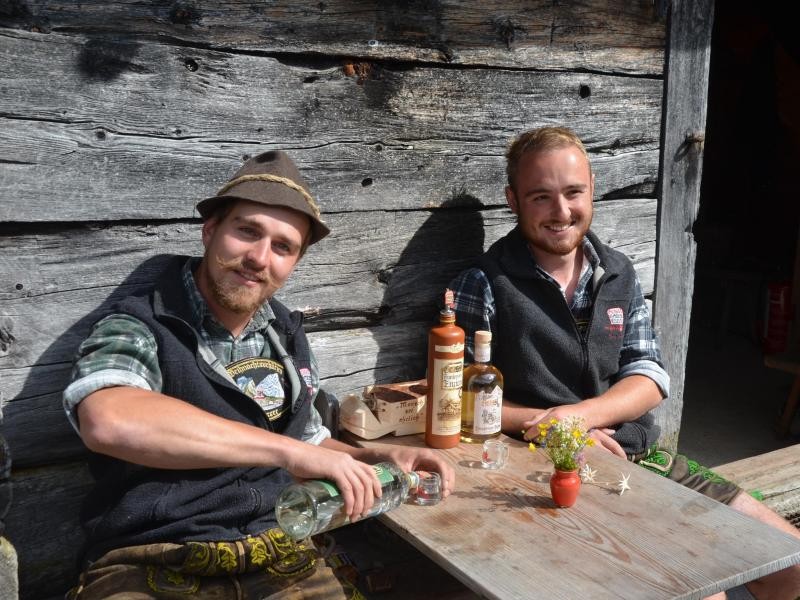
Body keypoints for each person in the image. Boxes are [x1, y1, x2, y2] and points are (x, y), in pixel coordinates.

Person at [63, 150, 455, 599]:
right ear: (211, 230)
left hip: (280, 552)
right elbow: (109, 419)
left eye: (283, 247)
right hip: (152, 559)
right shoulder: (141, 323)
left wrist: (375, 459)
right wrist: (288, 454)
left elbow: (308, 441)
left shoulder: (283, 332)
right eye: (246, 231)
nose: (259, 257)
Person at [449, 126, 800, 600]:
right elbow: (459, 403)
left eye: (574, 192)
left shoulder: (617, 271)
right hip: (545, 476)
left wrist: (579, 417)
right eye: (540, 197)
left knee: (791, 564)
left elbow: (650, 376)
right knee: (702, 593)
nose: (561, 212)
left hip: (642, 458)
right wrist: (564, 437)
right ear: (512, 200)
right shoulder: (485, 283)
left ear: (592, 187)